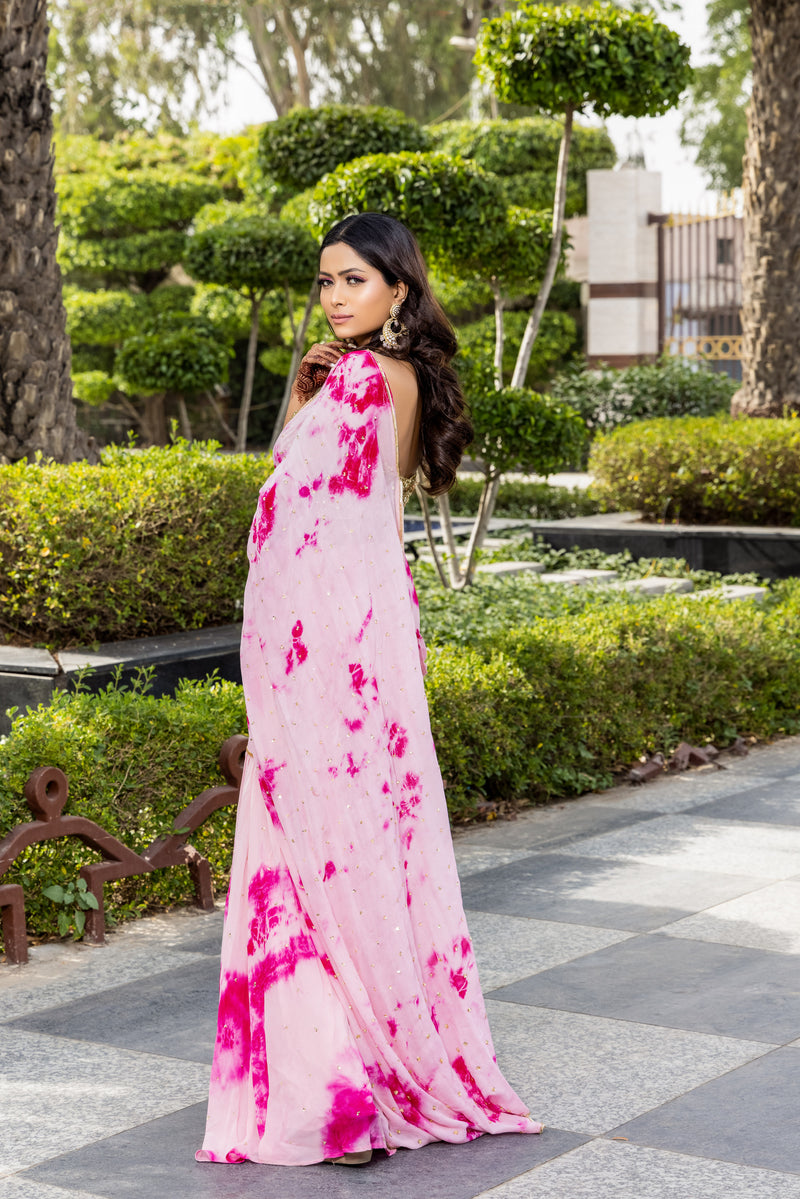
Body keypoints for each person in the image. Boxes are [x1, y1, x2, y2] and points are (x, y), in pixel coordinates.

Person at [196, 212, 542, 1169]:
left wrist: (309, 399)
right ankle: (366, 1057)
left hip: (322, 663)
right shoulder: (406, 381)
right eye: (325, 282)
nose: (336, 297)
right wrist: (311, 392)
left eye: (354, 280)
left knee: (314, 854)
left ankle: (338, 1092)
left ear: (398, 288)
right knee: (358, 847)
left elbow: (293, 504)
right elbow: (343, 514)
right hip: (362, 654)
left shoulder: (357, 381)